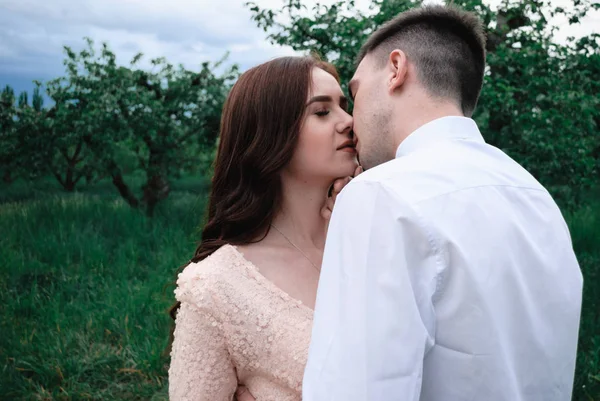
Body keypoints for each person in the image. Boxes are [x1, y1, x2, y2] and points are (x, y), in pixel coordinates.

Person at [302, 4, 583, 401]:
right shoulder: (537, 199)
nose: (351, 120)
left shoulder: (381, 194)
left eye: (355, 92)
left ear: (396, 70)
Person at [168, 55, 361, 401]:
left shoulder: (371, 242)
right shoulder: (215, 287)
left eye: (345, 107)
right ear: (270, 134)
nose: (349, 121)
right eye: (321, 112)